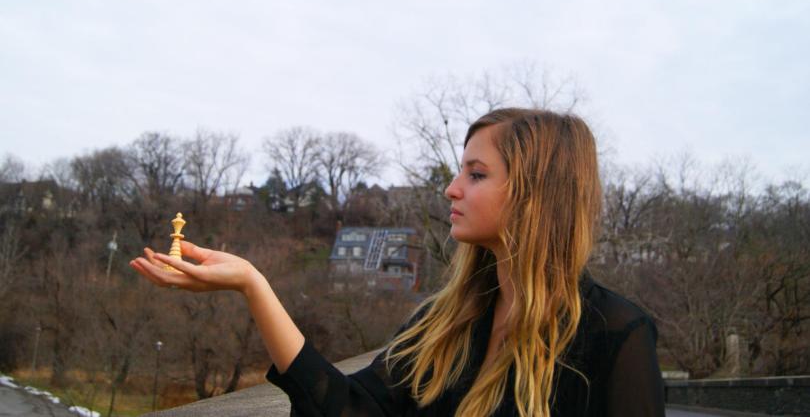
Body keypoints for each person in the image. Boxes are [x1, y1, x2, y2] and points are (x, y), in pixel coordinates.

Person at [130, 108, 666, 416]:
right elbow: (348, 409)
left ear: (535, 194)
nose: (452, 188)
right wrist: (253, 285)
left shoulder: (615, 335)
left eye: (477, 174)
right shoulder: (444, 324)